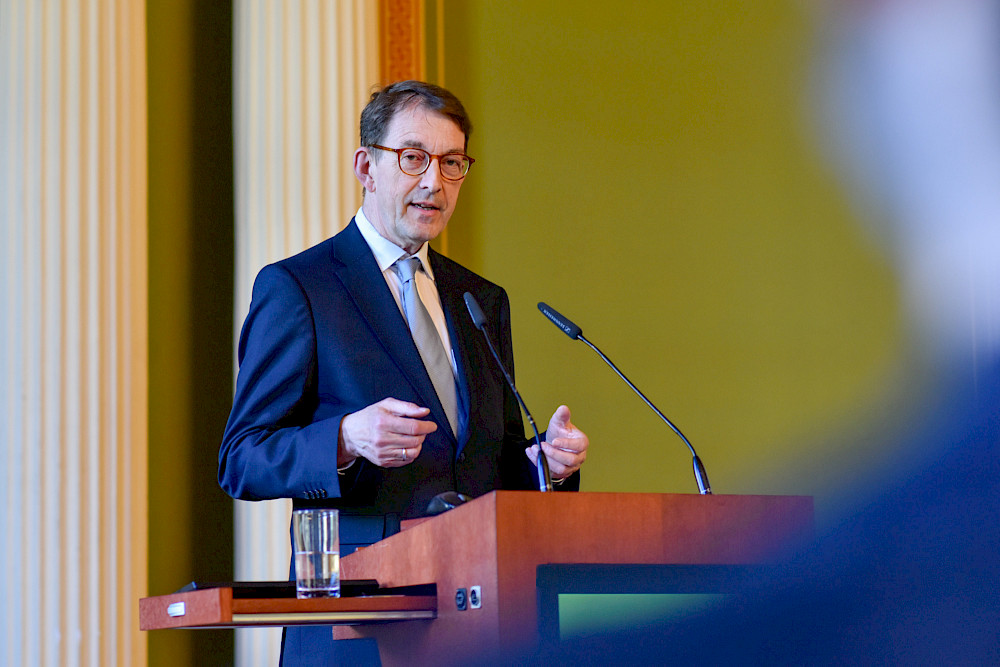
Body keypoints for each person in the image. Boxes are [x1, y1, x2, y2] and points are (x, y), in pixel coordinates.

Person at [218, 81, 589, 666]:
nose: (434, 182)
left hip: (475, 623)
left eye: (452, 163)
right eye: (414, 158)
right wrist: (345, 439)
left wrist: (544, 463)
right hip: (357, 625)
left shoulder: (480, 299)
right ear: (367, 167)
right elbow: (242, 458)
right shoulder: (300, 288)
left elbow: (485, 461)